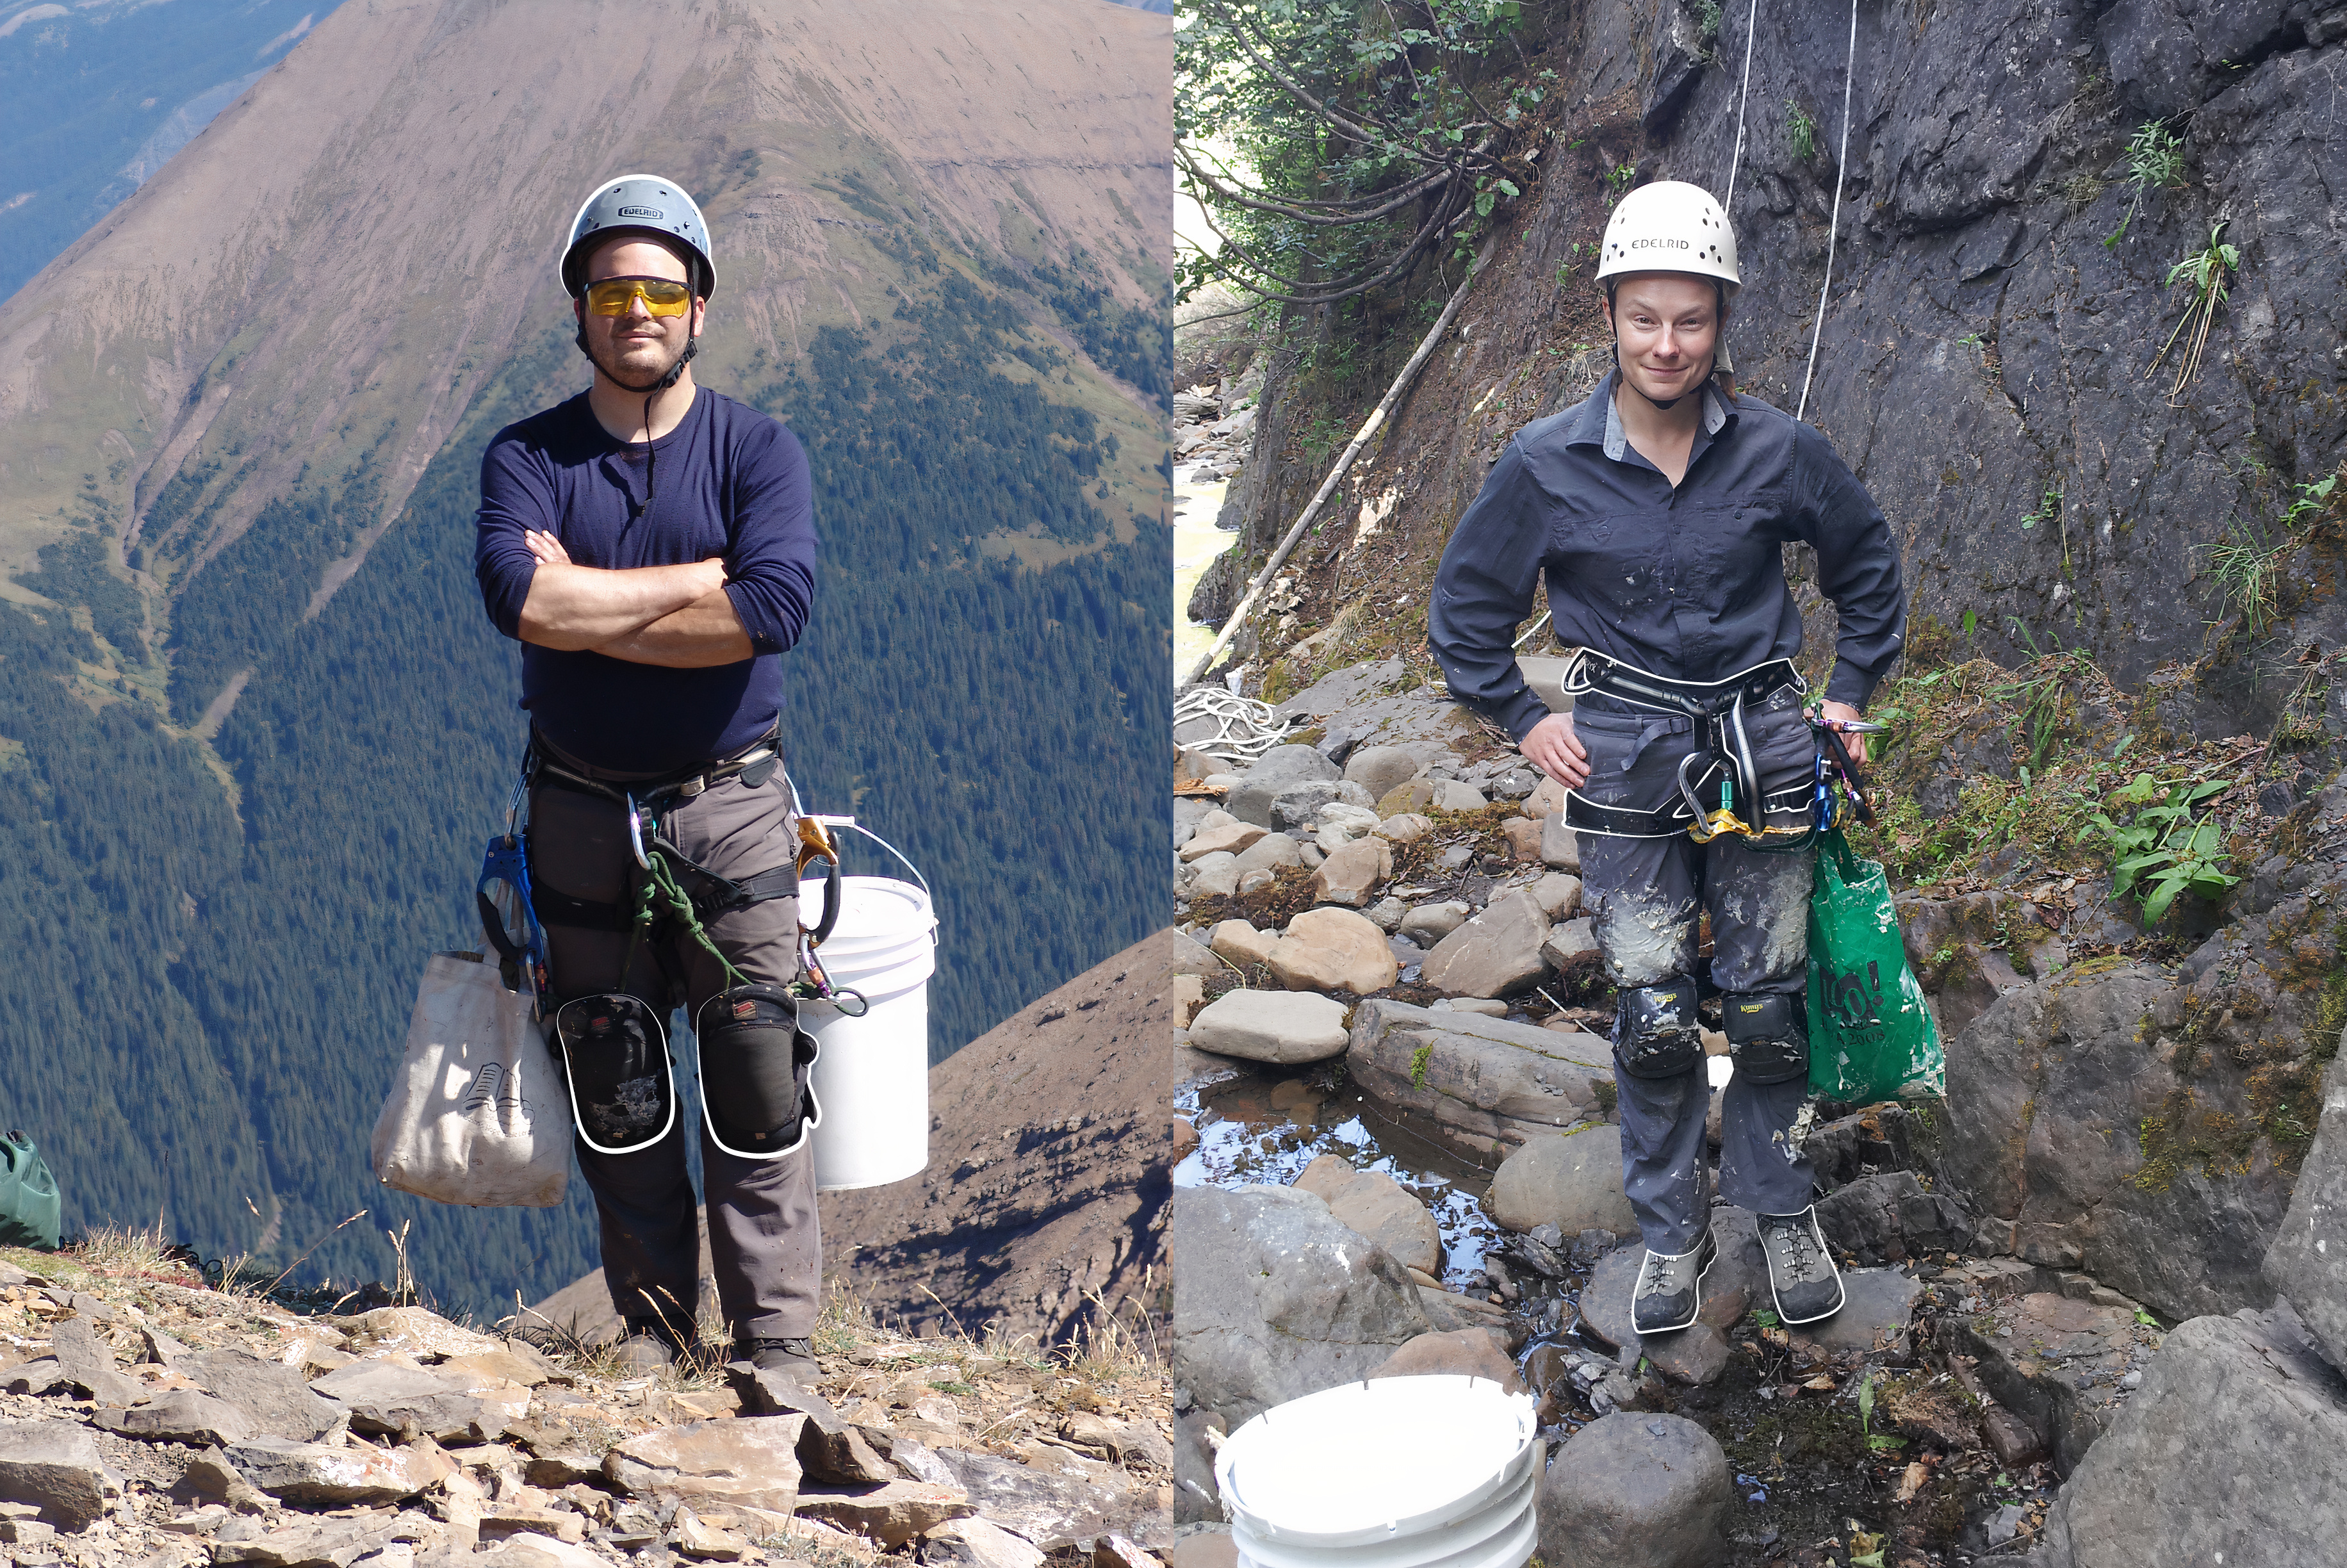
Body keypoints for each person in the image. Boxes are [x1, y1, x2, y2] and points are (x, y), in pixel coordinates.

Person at [1428, 180, 1906, 1335]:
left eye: (1690, 320)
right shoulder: (1545, 463)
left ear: (1721, 322)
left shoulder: (1781, 452)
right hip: (1627, 754)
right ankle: (1669, 1235)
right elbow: (1466, 607)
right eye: (1645, 317)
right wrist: (1522, 718)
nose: (1667, 344)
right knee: (1648, 1010)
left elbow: (1868, 561)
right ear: (1609, 316)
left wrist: (1844, 698)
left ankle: (1782, 1211)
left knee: (1767, 1010)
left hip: (1764, 743)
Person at [473, 174, 822, 1377]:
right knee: (616, 1078)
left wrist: (585, 612)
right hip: (579, 812)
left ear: (699, 307)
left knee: (757, 1074)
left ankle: (775, 1348)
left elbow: (772, 608)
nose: (637, 311)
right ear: (579, 308)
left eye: (660, 290)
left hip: (728, 806)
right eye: (613, 289)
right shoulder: (526, 456)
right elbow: (517, 597)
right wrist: (692, 584)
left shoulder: (758, 449)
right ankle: (658, 1334)